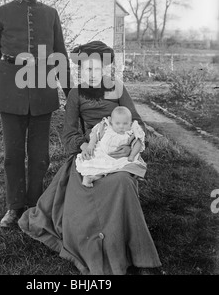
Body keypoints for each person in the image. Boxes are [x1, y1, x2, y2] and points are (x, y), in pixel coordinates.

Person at [19, 41, 162, 275]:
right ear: (80, 71)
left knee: (123, 182)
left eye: (96, 69)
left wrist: (129, 148)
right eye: (86, 70)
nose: (91, 74)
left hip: (120, 150)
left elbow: (137, 122)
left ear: (105, 69)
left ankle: (139, 255)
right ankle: (92, 245)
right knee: (82, 196)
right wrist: (83, 144)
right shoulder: (76, 94)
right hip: (91, 151)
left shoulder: (117, 88)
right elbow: (69, 132)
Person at [0, 0, 71, 227]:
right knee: (12, 156)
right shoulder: (2, 13)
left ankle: (34, 206)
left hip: (42, 91)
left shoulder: (51, 14)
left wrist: (71, 95)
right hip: (10, 92)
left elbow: (60, 55)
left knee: (40, 156)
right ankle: (13, 207)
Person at [76, 106, 147, 187]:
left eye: (125, 123)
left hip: (119, 157)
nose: (121, 126)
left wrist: (132, 155)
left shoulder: (131, 131)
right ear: (112, 122)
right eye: (118, 123)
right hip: (102, 153)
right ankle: (90, 177)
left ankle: (97, 178)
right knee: (96, 165)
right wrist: (91, 145)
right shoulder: (107, 127)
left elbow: (139, 143)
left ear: (130, 123)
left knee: (122, 167)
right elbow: (95, 134)